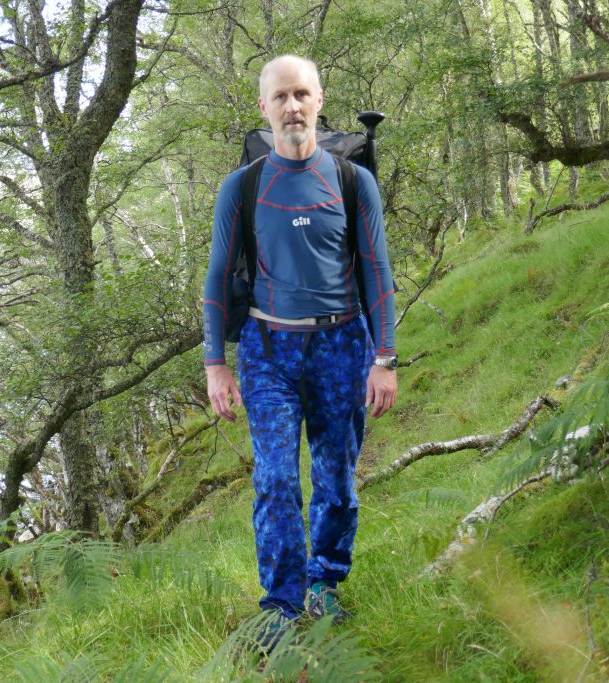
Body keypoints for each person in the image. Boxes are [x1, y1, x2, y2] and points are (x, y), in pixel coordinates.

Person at [202, 55, 397, 635]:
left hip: (343, 345)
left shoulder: (352, 181)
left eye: (302, 95)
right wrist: (215, 363)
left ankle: (324, 585)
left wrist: (384, 359)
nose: (292, 106)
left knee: (336, 475)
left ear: (318, 101)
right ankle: (281, 604)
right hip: (267, 351)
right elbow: (216, 277)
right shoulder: (242, 187)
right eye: (280, 97)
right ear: (263, 108)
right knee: (276, 478)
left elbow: (378, 272)